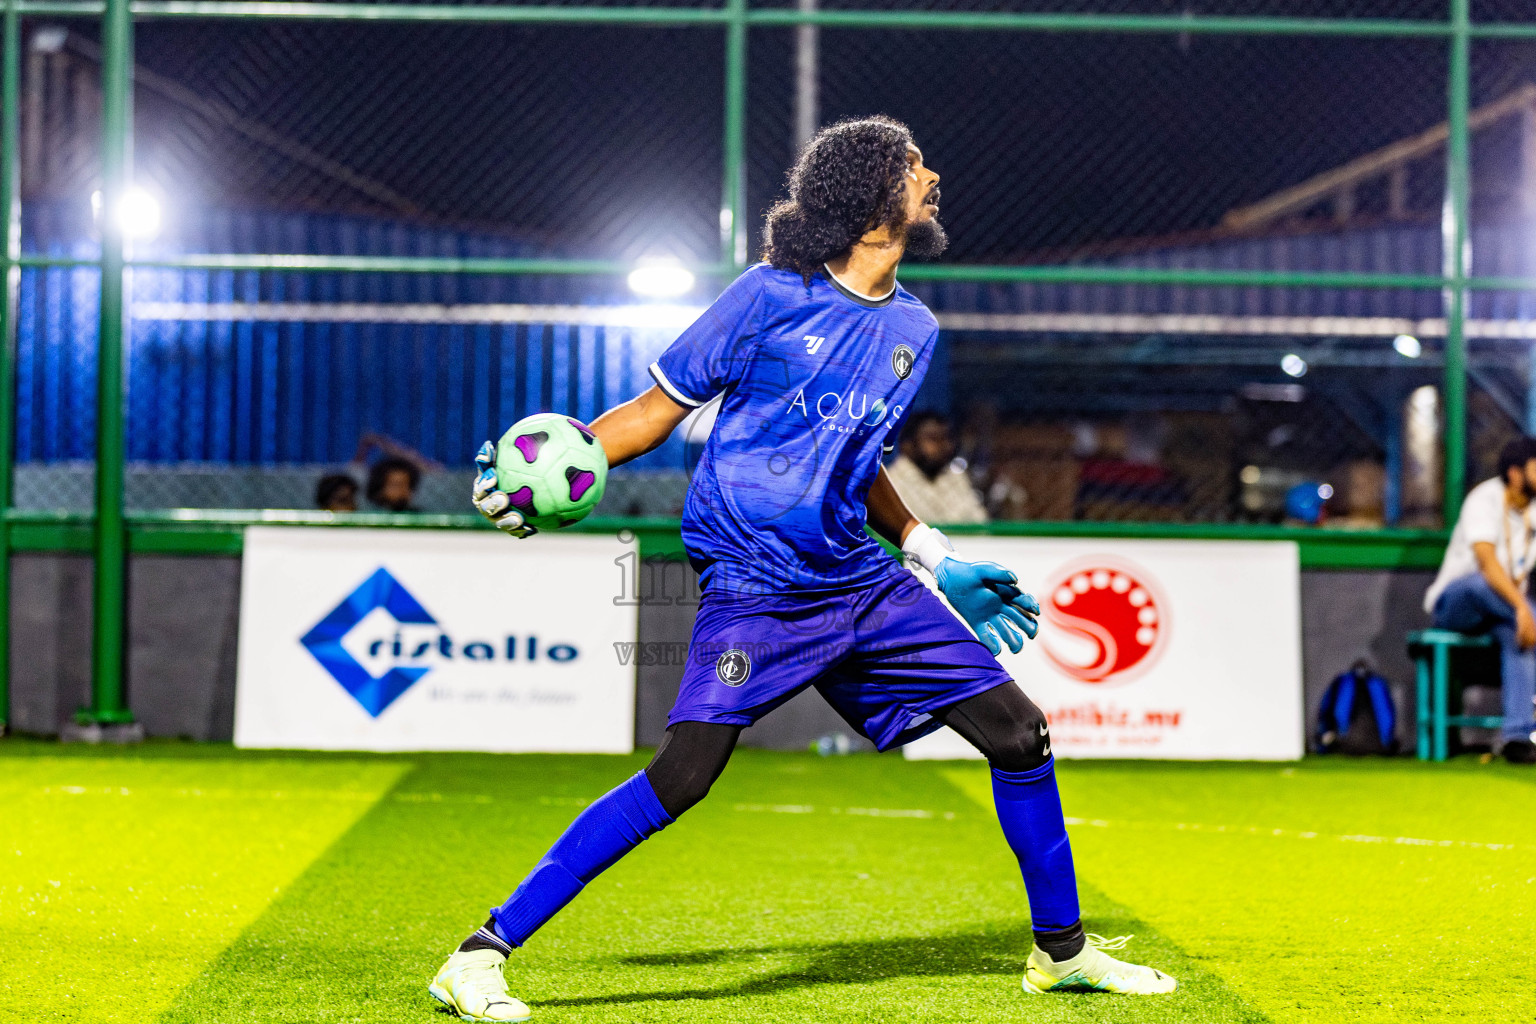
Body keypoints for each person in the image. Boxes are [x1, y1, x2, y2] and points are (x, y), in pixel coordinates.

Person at [434, 116, 1174, 1022]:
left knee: (1020, 733)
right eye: (912, 168)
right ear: (867, 199)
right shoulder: (767, 297)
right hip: (753, 580)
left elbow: (859, 465)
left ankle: (1061, 954)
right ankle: (481, 953)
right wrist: (555, 467)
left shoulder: (913, 327)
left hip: (859, 582)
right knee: (685, 776)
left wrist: (933, 555)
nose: (931, 176)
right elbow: (655, 410)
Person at [1425, 436, 1536, 764]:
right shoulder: (1484, 499)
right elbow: (1488, 565)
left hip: (1504, 613)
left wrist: (1521, 613)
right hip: (1457, 604)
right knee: (1479, 584)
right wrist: (1522, 607)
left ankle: (1518, 737)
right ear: (1516, 473)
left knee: (1521, 640)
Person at [885, 410, 989, 525]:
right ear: (907, 445)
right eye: (933, 439)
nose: (944, 445)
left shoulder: (955, 477)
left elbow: (981, 524)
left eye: (946, 438)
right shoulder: (890, 483)